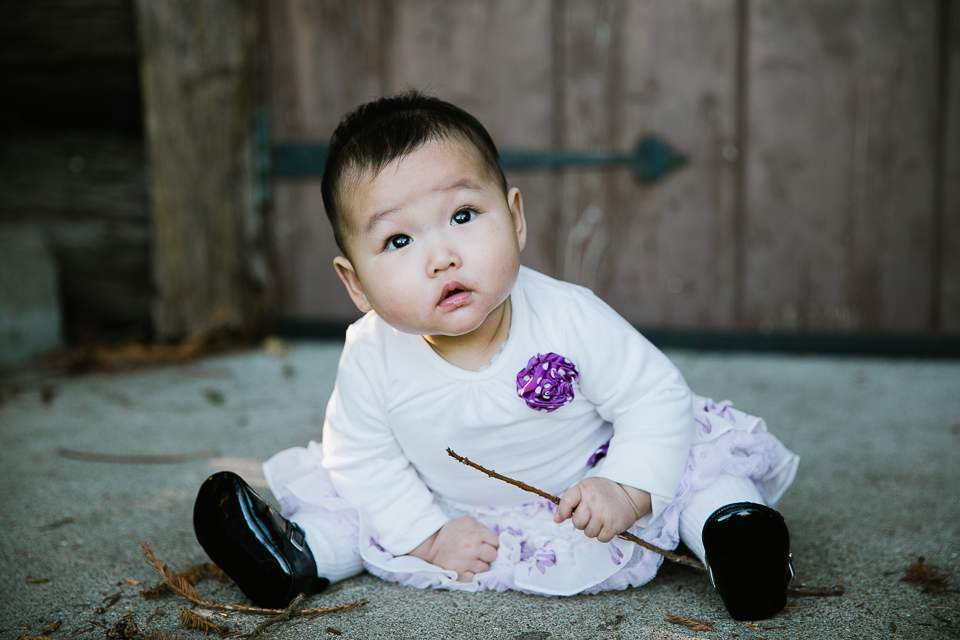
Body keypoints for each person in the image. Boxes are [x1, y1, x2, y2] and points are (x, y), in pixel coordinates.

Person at [192, 92, 799, 621]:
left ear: (513, 218)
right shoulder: (370, 355)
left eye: (462, 215)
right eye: (398, 240)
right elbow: (365, 459)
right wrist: (428, 536)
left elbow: (654, 400)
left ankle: (737, 540)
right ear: (356, 285)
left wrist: (627, 488)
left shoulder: (569, 316)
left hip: (596, 493)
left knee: (694, 469)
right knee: (362, 504)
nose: (442, 256)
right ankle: (293, 559)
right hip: (451, 509)